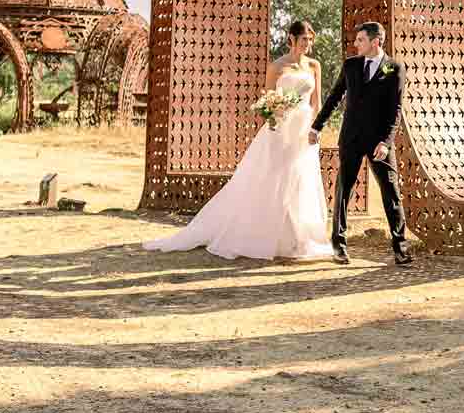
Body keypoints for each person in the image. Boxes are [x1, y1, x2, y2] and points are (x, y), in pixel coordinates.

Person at [143, 20, 334, 261]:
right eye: (304, 39)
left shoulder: (315, 65)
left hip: (304, 131)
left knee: (300, 180)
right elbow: (267, 98)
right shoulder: (276, 66)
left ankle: (298, 238)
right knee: (273, 178)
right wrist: (274, 112)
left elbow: (316, 101)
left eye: (310, 39)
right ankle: (261, 235)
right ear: (292, 39)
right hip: (280, 129)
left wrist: (315, 127)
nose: (308, 43)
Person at [309, 20, 411, 266]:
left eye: (361, 40)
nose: (355, 44)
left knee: (391, 193)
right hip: (351, 138)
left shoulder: (394, 68)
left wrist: (386, 142)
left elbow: (395, 110)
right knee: (344, 191)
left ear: (376, 41)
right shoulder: (351, 65)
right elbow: (335, 97)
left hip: (379, 143)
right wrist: (317, 126)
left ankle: (401, 248)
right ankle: (339, 246)